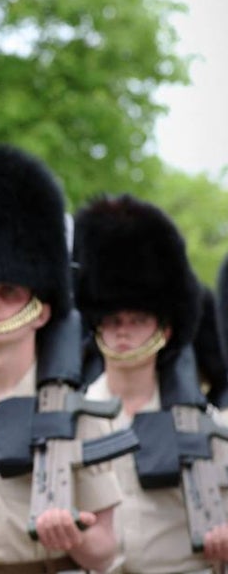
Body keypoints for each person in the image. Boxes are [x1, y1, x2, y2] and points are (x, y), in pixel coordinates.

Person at [0, 144, 121, 573]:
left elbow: (106, 547)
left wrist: (73, 535)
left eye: (8, 292)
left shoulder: (78, 408)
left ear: (42, 308)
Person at [73, 193, 228, 571]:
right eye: (112, 320)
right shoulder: (72, 417)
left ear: (165, 327)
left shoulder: (210, 424)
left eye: (138, 320)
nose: (123, 332)